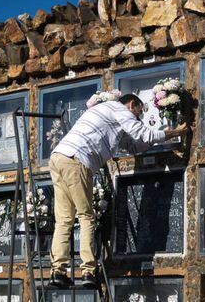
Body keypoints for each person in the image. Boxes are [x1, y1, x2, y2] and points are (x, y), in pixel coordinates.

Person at [48, 93, 188, 288]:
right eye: (138, 114)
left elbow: (132, 146)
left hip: (58, 157)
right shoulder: (119, 109)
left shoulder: (106, 113)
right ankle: (88, 271)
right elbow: (144, 134)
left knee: (64, 220)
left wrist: (154, 143)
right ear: (132, 105)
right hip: (77, 160)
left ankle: (58, 272)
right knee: (86, 216)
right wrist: (173, 133)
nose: (137, 119)